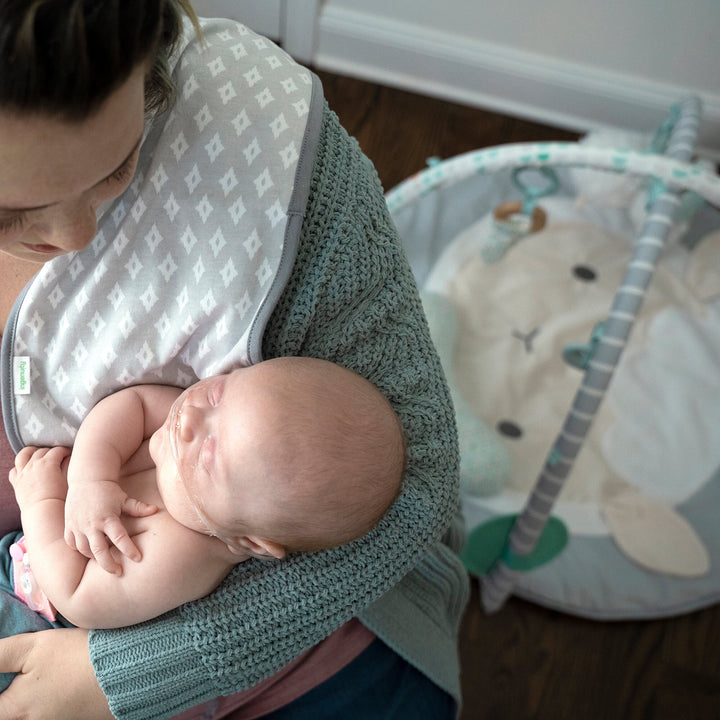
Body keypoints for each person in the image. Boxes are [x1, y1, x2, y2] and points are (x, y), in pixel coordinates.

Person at [0, 2, 468, 720]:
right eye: (8, 212)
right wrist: (87, 479)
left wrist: (123, 673)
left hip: (282, 627)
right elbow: (135, 414)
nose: (75, 235)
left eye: (117, 166)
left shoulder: (272, 156)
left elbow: (419, 471)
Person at [2, 357, 403, 652]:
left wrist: (42, 501)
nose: (190, 418)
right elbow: (135, 404)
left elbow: (76, 595)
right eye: (218, 391)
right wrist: (91, 478)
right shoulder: (195, 421)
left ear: (248, 541)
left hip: (34, 608)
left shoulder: (182, 552)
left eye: (209, 457)